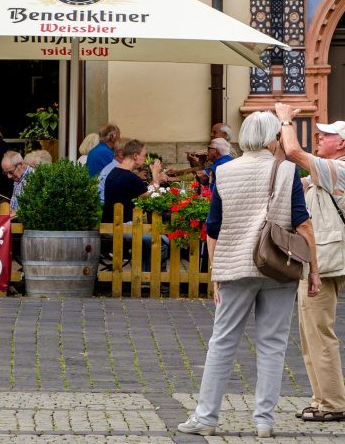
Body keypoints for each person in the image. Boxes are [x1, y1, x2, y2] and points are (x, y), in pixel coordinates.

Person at [178, 111, 321, 439]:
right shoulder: (287, 171)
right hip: (278, 267)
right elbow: (303, 224)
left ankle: (205, 417)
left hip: (235, 266)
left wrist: (215, 273)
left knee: (222, 341)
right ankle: (263, 421)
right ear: (272, 137)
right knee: (273, 343)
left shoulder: (225, 171)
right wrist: (313, 269)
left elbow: (212, 227)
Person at [275, 102, 345, 423]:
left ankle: (334, 404)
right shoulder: (325, 172)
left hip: (324, 262)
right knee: (312, 334)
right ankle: (323, 399)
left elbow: (295, 153)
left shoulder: (339, 169)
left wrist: (286, 122)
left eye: (326, 136)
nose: (319, 138)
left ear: (342, 144)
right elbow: (288, 165)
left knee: (320, 333)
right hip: (319, 260)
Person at [102, 139, 168, 272]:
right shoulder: (128, 177)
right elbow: (150, 195)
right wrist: (156, 174)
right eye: (144, 155)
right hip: (122, 227)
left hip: (111, 225)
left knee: (147, 240)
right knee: (162, 241)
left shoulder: (115, 173)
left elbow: (143, 191)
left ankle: (144, 277)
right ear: (135, 156)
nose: (145, 159)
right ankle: (152, 277)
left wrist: (154, 181)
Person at [1, 151, 33, 217]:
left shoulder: (33, 178)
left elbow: (36, 208)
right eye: (5, 173)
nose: (8, 176)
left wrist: (18, 213)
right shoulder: (19, 177)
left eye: (10, 172)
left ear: (21, 164)